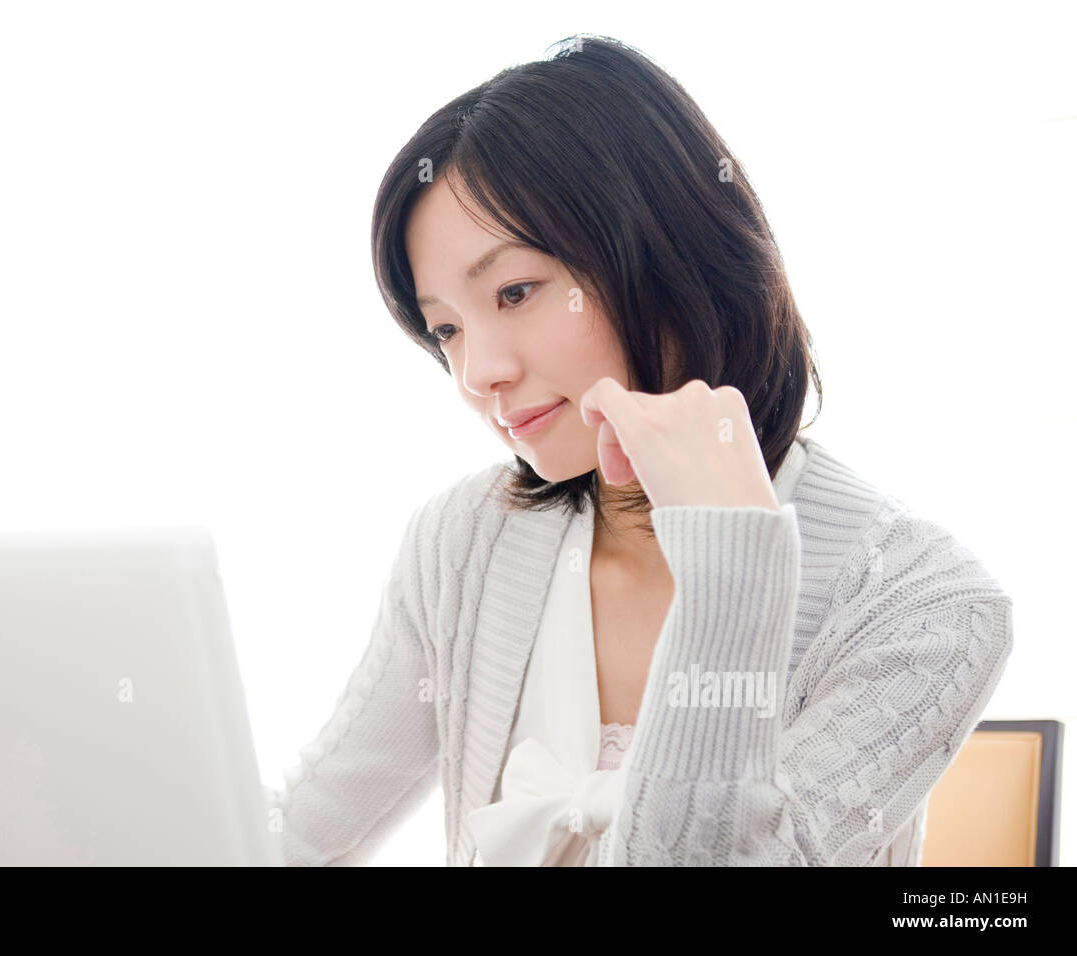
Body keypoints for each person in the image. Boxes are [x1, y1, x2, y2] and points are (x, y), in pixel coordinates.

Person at [264, 34, 1012, 866]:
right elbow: (300, 832)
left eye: (516, 292)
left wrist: (732, 565)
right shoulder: (461, 541)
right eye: (446, 328)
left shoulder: (923, 604)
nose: (479, 373)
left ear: (665, 253)